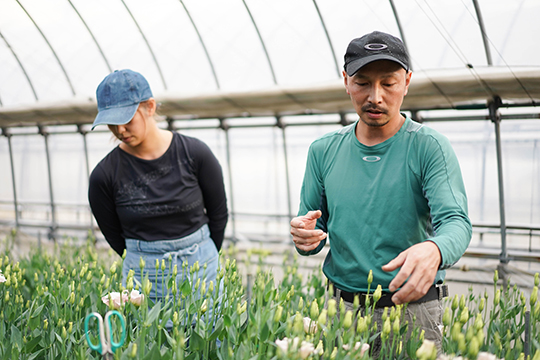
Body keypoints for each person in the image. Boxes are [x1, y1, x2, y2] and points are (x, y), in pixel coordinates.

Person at [290, 31, 472, 354]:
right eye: (362, 82)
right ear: (346, 81)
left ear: (407, 81)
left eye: (388, 83)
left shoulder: (428, 147)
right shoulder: (323, 151)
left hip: (413, 311)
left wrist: (434, 250)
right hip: (341, 311)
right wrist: (304, 237)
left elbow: (457, 222)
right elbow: (311, 231)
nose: (375, 96)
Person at [88, 69, 228, 309]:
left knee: (207, 343)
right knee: (146, 343)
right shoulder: (104, 175)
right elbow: (113, 235)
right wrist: (145, 257)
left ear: (150, 107)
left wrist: (204, 254)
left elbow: (219, 214)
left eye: (126, 119)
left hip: (201, 266)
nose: (120, 130)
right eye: (112, 123)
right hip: (144, 275)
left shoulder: (195, 154)